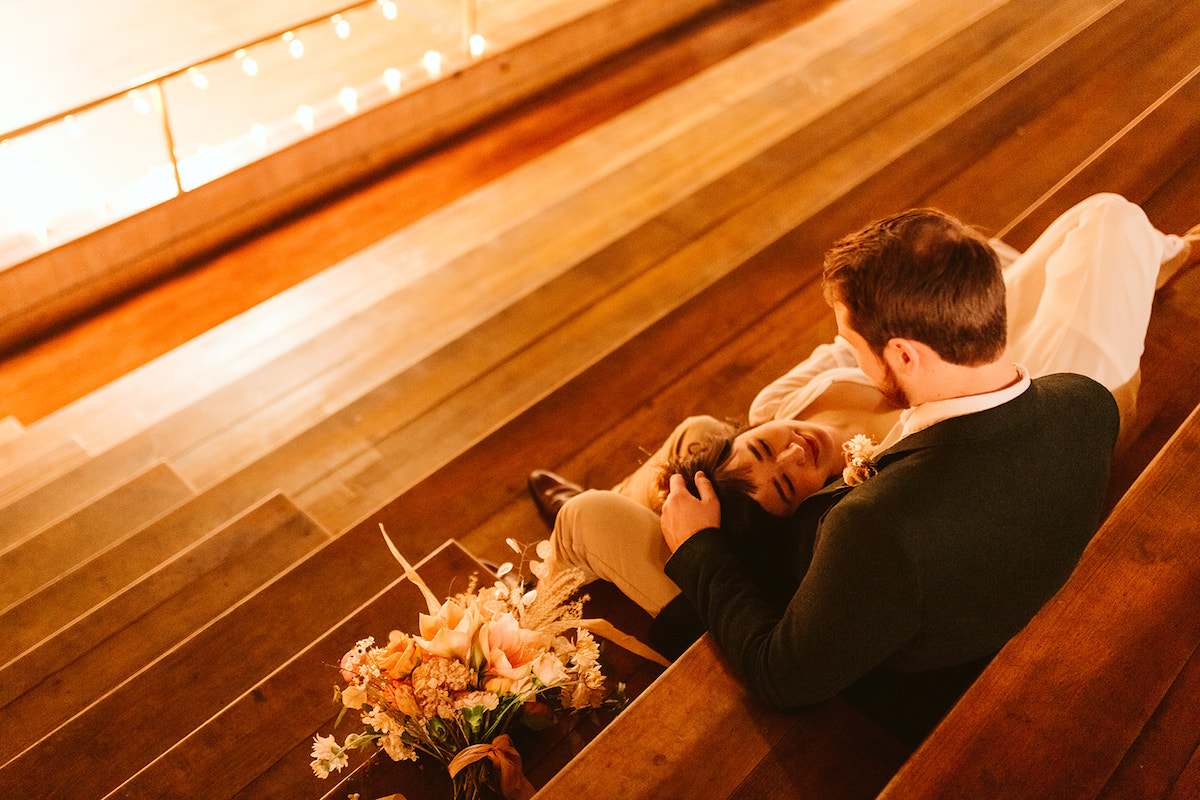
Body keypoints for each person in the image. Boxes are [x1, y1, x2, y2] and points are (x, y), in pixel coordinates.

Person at [529, 195, 1199, 743]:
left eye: (853, 343)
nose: (846, 355)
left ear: (904, 356)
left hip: (883, 687)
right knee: (706, 437)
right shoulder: (1083, 404)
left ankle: (522, 632)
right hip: (961, 577)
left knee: (596, 514)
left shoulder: (876, 524)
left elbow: (783, 675)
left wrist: (702, 548)